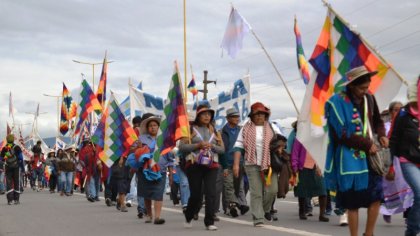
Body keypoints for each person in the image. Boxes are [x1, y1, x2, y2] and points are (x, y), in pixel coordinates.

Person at [325, 66, 388, 236]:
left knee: (376, 197)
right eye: (362, 88)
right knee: (352, 202)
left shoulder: (369, 98)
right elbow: (342, 134)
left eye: (367, 87)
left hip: (370, 157)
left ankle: (369, 234)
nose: (365, 91)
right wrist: (366, 145)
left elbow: (378, 122)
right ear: (352, 85)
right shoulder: (337, 102)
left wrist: (381, 135)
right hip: (348, 158)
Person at [179, 104, 225, 231]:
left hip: (212, 165)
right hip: (194, 164)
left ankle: (209, 222)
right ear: (198, 116)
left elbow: (222, 149)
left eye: (209, 114)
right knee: (196, 195)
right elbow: (182, 147)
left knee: (211, 193)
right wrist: (198, 145)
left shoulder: (215, 131)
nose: (207, 116)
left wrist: (212, 146)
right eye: (204, 114)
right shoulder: (189, 129)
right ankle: (189, 216)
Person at [232, 102, 277, 227]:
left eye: (262, 114)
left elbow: (281, 142)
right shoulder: (245, 129)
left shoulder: (272, 127)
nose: (259, 116)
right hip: (251, 164)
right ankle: (258, 218)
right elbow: (238, 147)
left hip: (269, 165)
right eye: (256, 114)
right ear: (251, 116)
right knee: (256, 192)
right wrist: (236, 164)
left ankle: (266, 210)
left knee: (272, 191)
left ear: (266, 115)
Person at [129, 113, 174, 225]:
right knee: (147, 193)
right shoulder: (141, 138)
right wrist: (137, 148)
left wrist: (171, 173)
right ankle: (149, 215)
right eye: (151, 126)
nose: (153, 127)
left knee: (158, 194)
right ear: (147, 128)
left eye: (155, 125)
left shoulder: (165, 139)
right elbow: (132, 151)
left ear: (159, 127)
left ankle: (157, 217)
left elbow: (169, 158)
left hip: (161, 171)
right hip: (144, 171)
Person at [390, 82, 420, 236]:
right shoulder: (403, 114)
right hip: (408, 160)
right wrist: (390, 166)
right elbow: (393, 140)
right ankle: (412, 231)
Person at [291, 120, 329, 222]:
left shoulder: (319, 139)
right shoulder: (300, 138)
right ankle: (302, 212)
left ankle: (322, 214)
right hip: (303, 167)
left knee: (322, 191)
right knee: (302, 191)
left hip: (317, 168)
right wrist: (295, 167)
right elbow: (295, 153)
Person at [220, 107, 249, 218]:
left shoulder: (241, 130)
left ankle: (241, 205)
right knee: (228, 185)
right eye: (234, 116)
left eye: (238, 116)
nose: (237, 118)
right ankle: (232, 206)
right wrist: (224, 166)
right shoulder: (222, 132)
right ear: (228, 119)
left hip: (240, 162)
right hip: (227, 163)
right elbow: (222, 150)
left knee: (240, 185)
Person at [0, 134, 24, 204]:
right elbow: (21, 158)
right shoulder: (17, 147)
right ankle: (16, 199)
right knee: (16, 182)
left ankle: (10, 200)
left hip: (8, 167)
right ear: (13, 140)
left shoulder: (4, 148)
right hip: (16, 167)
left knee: (8, 183)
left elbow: (1, 158)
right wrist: (22, 168)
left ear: (7, 140)